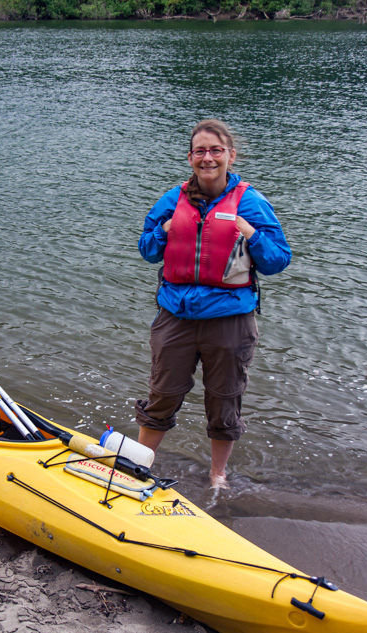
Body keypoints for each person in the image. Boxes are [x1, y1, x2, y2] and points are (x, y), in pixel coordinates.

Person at [135, 119, 291, 489]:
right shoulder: (172, 200)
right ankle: (137, 467)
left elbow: (277, 261)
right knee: (163, 394)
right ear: (190, 158)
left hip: (230, 320)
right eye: (201, 151)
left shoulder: (251, 202)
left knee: (224, 399)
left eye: (216, 150)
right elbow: (147, 250)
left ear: (230, 156)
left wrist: (250, 233)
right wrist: (163, 230)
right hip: (175, 315)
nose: (208, 158)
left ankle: (217, 474)